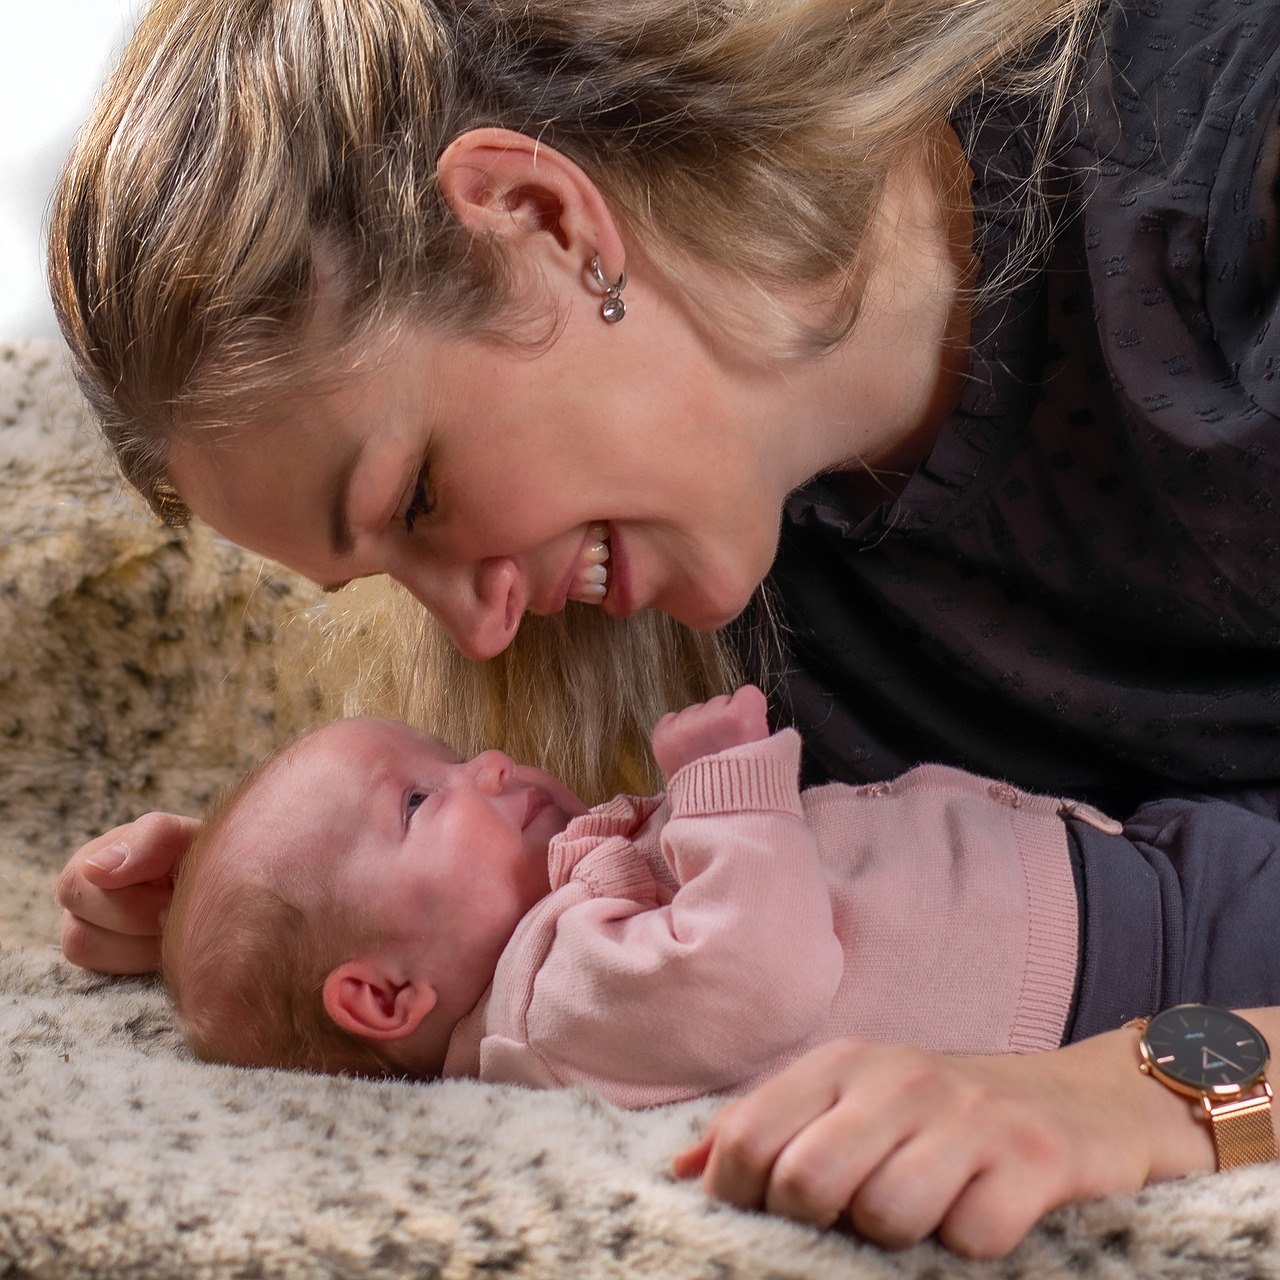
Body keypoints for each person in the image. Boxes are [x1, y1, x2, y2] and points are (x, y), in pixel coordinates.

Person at [45, 0, 1280, 1258]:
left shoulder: (1226, 166)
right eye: (386, 575)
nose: (477, 633)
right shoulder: (750, 603)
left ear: (541, 221)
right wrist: (307, 910)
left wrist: (1158, 1090)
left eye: (416, 494)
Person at [162, 685, 1096, 1093]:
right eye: (417, 800)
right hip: (1099, 970)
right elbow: (759, 972)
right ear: (382, 995)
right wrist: (728, 788)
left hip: (1093, 891)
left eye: (447, 756)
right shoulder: (551, 1007)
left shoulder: (565, 937)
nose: (485, 762)